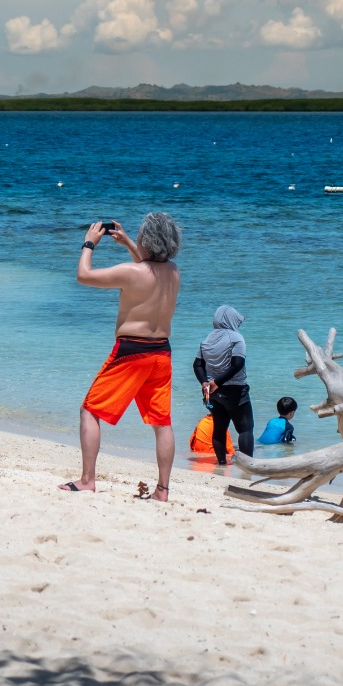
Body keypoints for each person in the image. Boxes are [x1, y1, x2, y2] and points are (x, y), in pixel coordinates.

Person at [60, 213, 181, 501]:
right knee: (162, 423)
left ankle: (87, 480)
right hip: (162, 352)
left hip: (131, 351)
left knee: (90, 410)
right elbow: (149, 267)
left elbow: (84, 275)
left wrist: (89, 244)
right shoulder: (174, 271)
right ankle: (163, 490)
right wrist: (127, 241)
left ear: (147, 240)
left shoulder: (132, 271)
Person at [192, 304, 254, 465]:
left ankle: (221, 464)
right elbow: (237, 364)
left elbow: (197, 365)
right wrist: (217, 382)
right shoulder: (237, 338)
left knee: (219, 428)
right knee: (245, 429)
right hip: (235, 390)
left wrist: (206, 383)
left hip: (212, 393)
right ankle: (248, 466)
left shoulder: (207, 340)